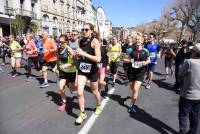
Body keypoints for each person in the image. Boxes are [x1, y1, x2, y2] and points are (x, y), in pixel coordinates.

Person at [75, 23, 102, 125]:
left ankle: (98, 105)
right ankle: (82, 113)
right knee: (79, 93)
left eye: (86, 30)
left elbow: (98, 59)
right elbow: (80, 55)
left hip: (92, 70)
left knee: (94, 91)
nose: (84, 31)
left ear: (91, 31)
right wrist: (76, 56)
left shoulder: (95, 41)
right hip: (82, 69)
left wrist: (83, 54)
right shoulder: (81, 41)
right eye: (83, 29)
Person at [123, 34, 150, 113]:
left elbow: (149, 60)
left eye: (138, 39)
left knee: (135, 89)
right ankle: (133, 95)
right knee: (132, 88)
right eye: (136, 39)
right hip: (131, 72)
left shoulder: (146, 50)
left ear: (142, 41)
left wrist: (145, 62)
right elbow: (125, 59)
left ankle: (132, 105)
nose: (137, 41)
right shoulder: (131, 50)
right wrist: (131, 61)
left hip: (140, 72)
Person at [178, 43, 200, 134]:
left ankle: (182, 132)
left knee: (183, 115)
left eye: (192, 51)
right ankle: (192, 132)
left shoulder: (189, 62)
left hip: (187, 94)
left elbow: (180, 73)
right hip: (198, 96)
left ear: (195, 52)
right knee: (195, 115)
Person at [56, 34, 77, 111]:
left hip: (71, 71)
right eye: (59, 42)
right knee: (61, 87)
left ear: (66, 42)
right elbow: (58, 60)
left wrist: (68, 65)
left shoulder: (69, 50)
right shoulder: (58, 49)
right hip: (63, 72)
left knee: (73, 89)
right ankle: (64, 103)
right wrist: (56, 67)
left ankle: (78, 88)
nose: (60, 44)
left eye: (62, 42)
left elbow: (75, 62)